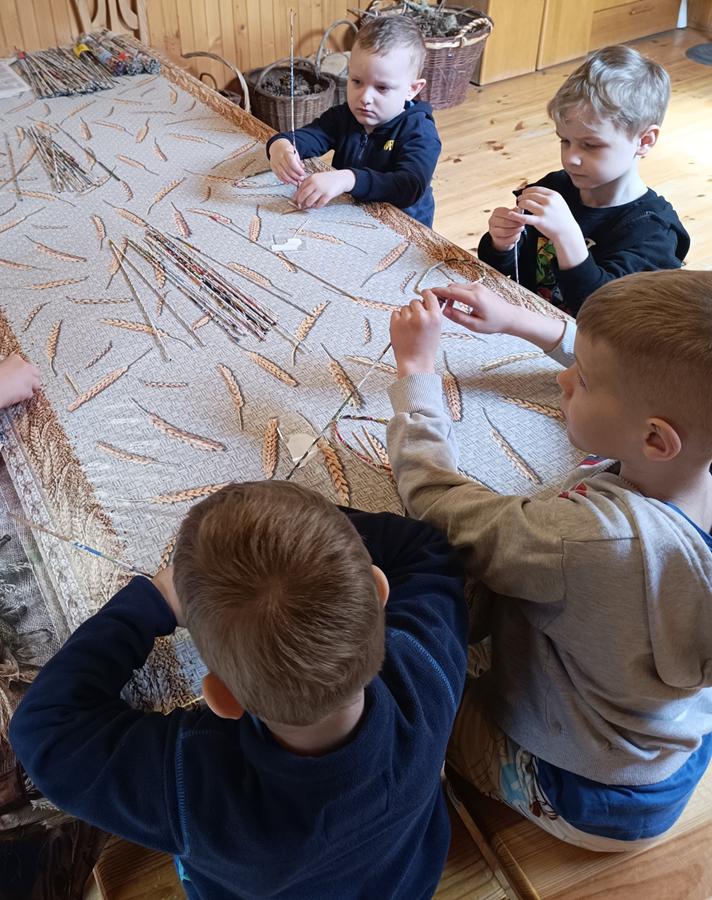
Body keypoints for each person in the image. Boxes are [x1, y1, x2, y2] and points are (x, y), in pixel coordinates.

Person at [10, 481, 468, 899]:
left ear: (223, 698)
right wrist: (310, 542)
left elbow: (43, 727)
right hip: (407, 881)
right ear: (378, 589)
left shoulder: (195, 787)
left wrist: (154, 601)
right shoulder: (425, 668)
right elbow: (426, 550)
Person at [386, 270, 712, 850]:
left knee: (396, 685)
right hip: (671, 750)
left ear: (655, 441)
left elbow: (438, 504)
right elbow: (647, 378)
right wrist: (522, 323)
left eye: (582, 379)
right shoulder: (692, 459)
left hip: (581, 791)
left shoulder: (586, 540)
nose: (565, 378)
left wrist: (416, 375)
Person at [478, 45, 690, 316]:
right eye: (565, 141)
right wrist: (502, 244)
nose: (571, 158)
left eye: (591, 145)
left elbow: (603, 315)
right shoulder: (555, 187)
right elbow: (509, 269)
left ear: (644, 141)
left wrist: (567, 236)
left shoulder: (653, 233)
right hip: (523, 322)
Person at [266, 16, 441, 227]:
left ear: (412, 89)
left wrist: (349, 179)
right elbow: (308, 137)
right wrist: (280, 146)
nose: (365, 97)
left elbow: (409, 186)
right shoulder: (344, 116)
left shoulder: (420, 132)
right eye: (357, 81)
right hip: (350, 218)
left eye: (382, 88)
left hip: (402, 230)